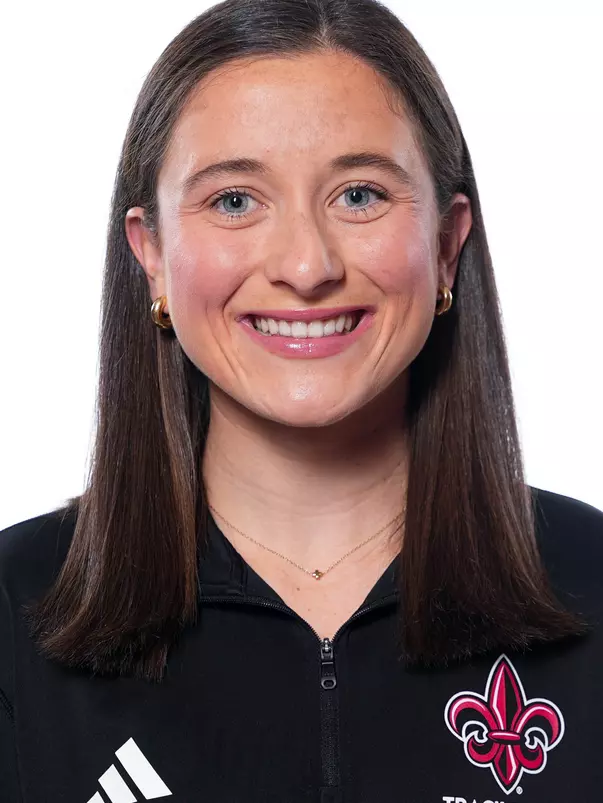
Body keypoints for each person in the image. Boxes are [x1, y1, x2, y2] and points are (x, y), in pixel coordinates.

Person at [1, 0, 602, 800]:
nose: (306, 265)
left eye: (358, 195)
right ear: (151, 257)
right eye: (234, 200)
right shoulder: (14, 611)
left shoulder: (591, 582)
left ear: (447, 244)